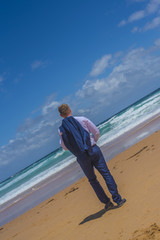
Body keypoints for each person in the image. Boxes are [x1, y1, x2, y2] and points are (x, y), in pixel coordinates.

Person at [58, 104, 126, 210]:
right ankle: (117, 199)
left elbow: (65, 147)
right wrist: (92, 142)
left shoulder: (61, 129)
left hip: (82, 156)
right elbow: (96, 131)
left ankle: (107, 203)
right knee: (105, 173)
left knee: (92, 180)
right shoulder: (82, 119)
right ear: (70, 109)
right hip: (93, 150)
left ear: (61, 115)